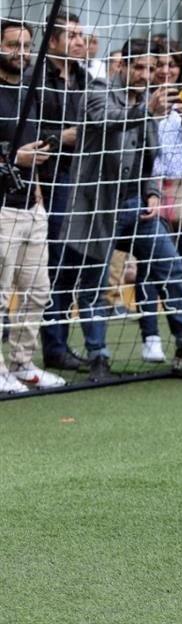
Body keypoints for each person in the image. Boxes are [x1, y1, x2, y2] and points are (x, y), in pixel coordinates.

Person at [57, 38, 182, 379]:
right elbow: (108, 120)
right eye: (139, 67)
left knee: (171, 266)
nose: (147, 74)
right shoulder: (97, 92)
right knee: (92, 285)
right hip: (97, 208)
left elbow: (151, 157)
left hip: (136, 207)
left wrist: (151, 194)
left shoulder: (148, 103)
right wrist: (147, 110)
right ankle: (98, 358)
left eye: (150, 69)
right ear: (122, 66)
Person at [0, 19, 66, 393]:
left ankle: (23, 363)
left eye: (26, 45)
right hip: (2, 210)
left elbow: (34, 147)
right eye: (12, 45)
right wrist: (12, 160)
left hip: (31, 207)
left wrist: (38, 191)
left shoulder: (30, 92)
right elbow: (18, 153)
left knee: (37, 291)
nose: (21, 52)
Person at [137, 39, 182, 363]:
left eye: (172, 64)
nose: (166, 70)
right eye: (159, 65)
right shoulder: (139, 99)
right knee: (151, 266)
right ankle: (150, 336)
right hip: (148, 189)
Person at [29, 12, 90, 372]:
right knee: (50, 265)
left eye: (82, 35)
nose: (80, 41)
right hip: (48, 182)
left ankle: (59, 344)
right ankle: (51, 346)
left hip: (84, 180)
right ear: (52, 41)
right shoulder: (34, 80)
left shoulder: (87, 79)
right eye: (72, 36)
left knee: (70, 266)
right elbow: (27, 132)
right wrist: (60, 138)